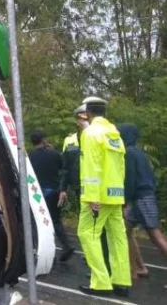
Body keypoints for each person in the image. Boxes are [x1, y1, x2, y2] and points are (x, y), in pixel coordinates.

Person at [77, 97, 130, 296]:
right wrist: (121, 194)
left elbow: (92, 165)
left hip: (97, 195)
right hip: (115, 194)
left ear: (87, 113)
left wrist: (92, 197)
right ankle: (121, 281)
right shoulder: (114, 133)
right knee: (118, 238)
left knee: (87, 234)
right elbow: (120, 166)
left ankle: (100, 282)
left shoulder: (90, 133)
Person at [59, 105, 111, 271]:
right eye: (80, 118)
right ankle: (94, 259)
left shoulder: (101, 135)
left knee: (97, 227)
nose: (82, 120)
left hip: (98, 189)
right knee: (88, 227)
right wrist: (63, 188)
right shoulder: (70, 140)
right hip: (80, 187)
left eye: (85, 117)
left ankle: (101, 263)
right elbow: (65, 167)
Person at [119, 123, 167, 288]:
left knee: (156, 236)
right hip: (144, 196)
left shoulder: (129, 154)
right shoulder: (140, 153)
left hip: (141, 197)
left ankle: (137, 268)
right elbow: (151, 176)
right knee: (125, 230)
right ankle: (137, 268)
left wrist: (124, 200)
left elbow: (130, 180)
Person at [28, 130, 74, 260]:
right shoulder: (54, 154)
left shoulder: (29, 156)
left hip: (36, 193)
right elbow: (63, 168)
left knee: (39, 221)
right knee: (55, 220)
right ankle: (66, 245)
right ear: (44, 140)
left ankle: (45, 249)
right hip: (54, 191)